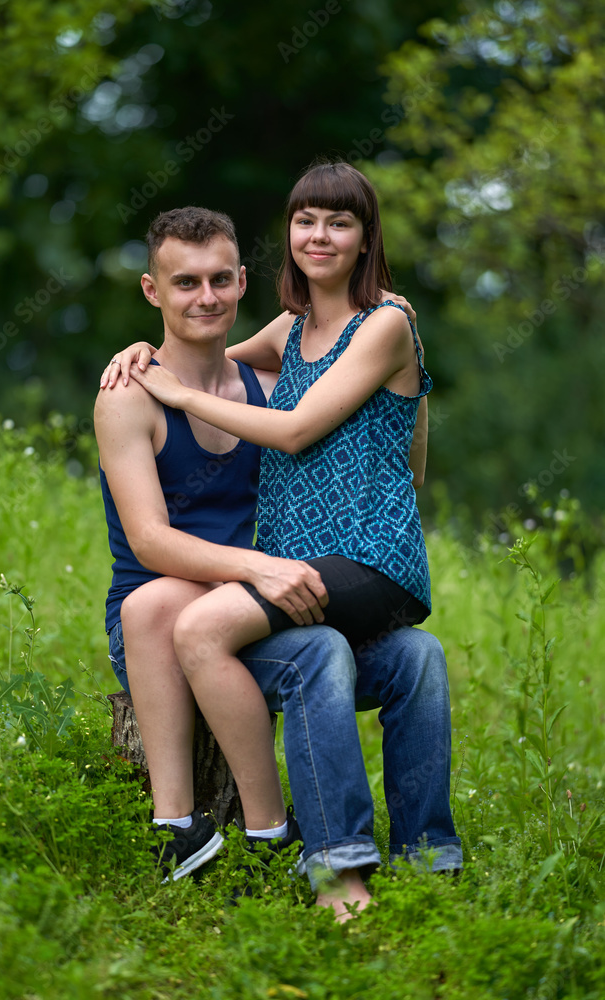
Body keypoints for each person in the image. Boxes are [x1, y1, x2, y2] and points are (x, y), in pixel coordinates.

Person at [98, 200, 461, 916]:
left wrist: (407, 350)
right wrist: (255, 568)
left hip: (262, 608)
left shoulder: (274, 377)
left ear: (241, 281)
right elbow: (150, 542)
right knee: (301, 646)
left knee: (417, 657)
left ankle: (429, 861)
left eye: (219, 281)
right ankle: (295, 849)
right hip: (169, 627)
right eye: (184, 283)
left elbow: (377, 419)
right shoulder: (128, 397)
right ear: (152, 291)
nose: (205, 298)